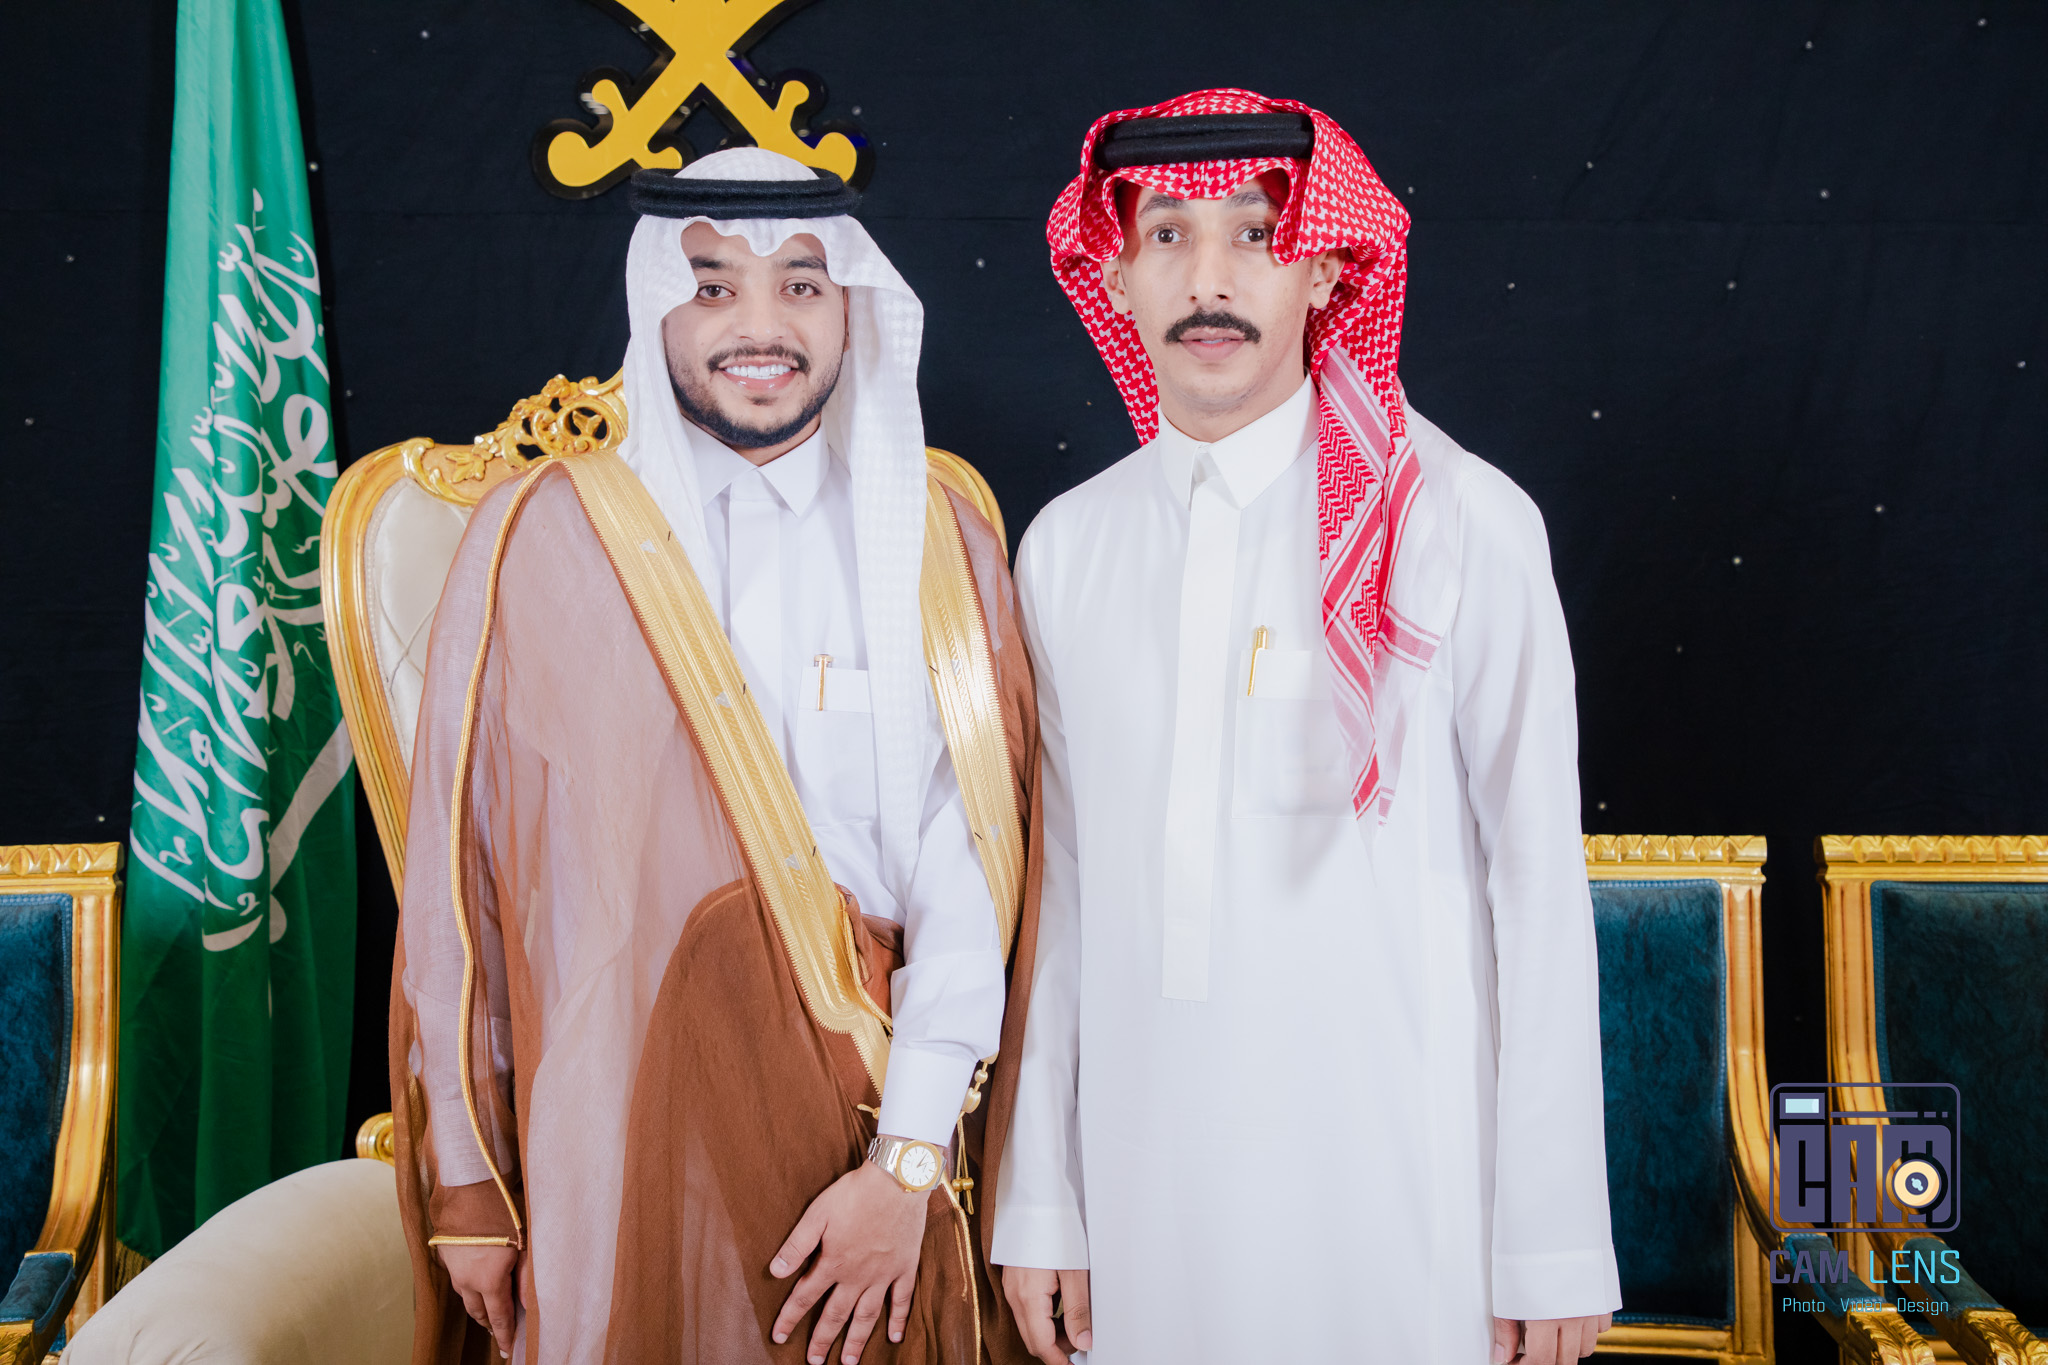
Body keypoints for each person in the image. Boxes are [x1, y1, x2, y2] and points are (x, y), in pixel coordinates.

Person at [983, 90, 1621, 1364]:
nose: (1207, 282)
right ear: (1111, 271)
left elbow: (1538, 890)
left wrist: (1549, 1235)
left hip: (1403, 1192)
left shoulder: (1456, 523)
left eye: (1256, 233)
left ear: (1325, 267)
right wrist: (1042, 1199)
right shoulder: (1065, 546)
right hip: (1145, 1191)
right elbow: (1065, 895)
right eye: (1166, 236)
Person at [389, 147, 1037, 1365]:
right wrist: (470, 1180)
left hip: (880, 1109)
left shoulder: (934, 542)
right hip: (614, 1123)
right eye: (711, 286)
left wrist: (903, 1163)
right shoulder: (541, 539)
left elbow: (971, 870)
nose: (759, 326)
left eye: (800, 284)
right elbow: (461, 884)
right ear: (656, 307)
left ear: (850, 307)